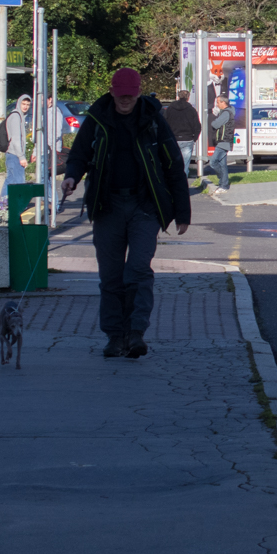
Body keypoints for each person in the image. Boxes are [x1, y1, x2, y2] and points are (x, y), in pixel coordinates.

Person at [60, 68, 191, 360]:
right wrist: (71, 177)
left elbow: (173, 166)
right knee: (111, 276)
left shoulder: (153, 120)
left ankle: (136, 334)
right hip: (107, 207)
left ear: (139, 92)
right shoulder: (97, 119)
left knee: (139, 270)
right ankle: (114, 337)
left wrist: (182, 213)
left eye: (130, 96)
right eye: (121, 96)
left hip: (144, 206)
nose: (125, 101)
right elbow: (80, 154)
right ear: (112, 91)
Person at [162, 90, 201, 176]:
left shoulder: (170, 109)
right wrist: (194, 138)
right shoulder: (191, 110)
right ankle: (184, 185)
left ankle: (173, 185)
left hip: (173, 139)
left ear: (178, 97)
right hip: (187, 139)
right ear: (188, 98)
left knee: (173, 164)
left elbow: (164, 123)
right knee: (185, 166)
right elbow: (197, 126)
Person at [3, 95, 31, 202]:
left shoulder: (18, 116)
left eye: (28, 105)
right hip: (14, 154)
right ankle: (18, 205)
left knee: (10, 180)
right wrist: (21, 157)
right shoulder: (16, 116)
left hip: (11, 154)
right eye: (23, 104)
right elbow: (15, 139)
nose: (25, 107)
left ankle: (3, 204)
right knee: (19, 181)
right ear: (18, 103)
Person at [209, 95, 233, 194]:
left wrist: (215, 120)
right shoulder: (225, 112)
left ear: (223, 102)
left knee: (213, 162)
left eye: (218, 102)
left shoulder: (226, 113)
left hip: (224, 141)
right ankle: (224, 185)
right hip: (223, 141)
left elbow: (215, 124)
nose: (217, 104)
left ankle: (222, 181)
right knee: (222, 165)